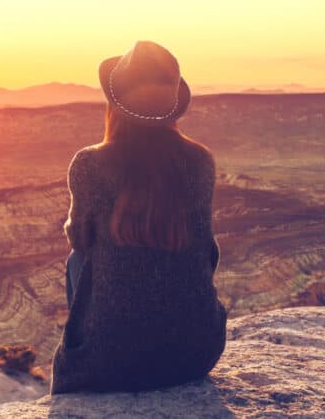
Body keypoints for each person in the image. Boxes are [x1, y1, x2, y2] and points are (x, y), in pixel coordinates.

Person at [50, 40, 227, 394]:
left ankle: (99, 340)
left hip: (109, 362)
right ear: (174, 108)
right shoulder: (200, 161)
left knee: (77, 260)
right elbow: (205, 249)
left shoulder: (89, 164)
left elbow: (80, 239)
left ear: (115, 105)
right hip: (195, 352)